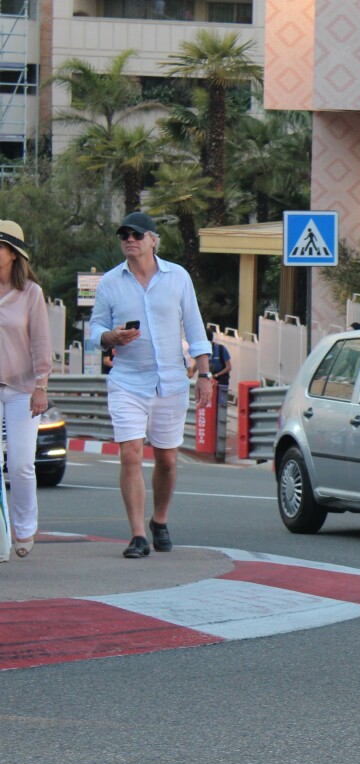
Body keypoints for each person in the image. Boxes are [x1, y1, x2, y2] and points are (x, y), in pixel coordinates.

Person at [89, 211, 213, 559]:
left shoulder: (178, 278)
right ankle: (138, 534)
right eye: (124, 235)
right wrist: (110, 336)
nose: (130, 239)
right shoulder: (111, 283)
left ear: (153, 240)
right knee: (130, 453)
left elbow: (194, 326)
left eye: (137, 235)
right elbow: (94, 330)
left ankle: (159, 520)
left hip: (171, 382)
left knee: (168, 460)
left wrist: (204, 374)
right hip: (128, 381)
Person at [0, 220, 53, 559]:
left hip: (22, 388)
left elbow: (41, 343)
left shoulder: (30, 293)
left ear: (13, 254)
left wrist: (41, 386)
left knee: (20, 463)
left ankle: (25, 527)